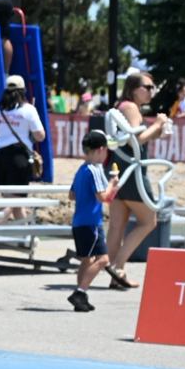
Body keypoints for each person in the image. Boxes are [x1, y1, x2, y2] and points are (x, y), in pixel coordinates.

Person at [100, 71, 171, 289]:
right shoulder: (130, 107)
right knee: (149, 221)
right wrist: (158, 124)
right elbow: (135, 141)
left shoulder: (123, 106)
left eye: (153, 87)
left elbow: (131, 139)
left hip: (118, 170)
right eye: (147, 87)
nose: (151, 91)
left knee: (117, 225)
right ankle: (118, 267)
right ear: (133, 89)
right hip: (132, 172)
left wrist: (157, 132)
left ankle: (114, 273)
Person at [66, 130, 111, 312]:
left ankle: (81, 299)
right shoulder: (95, 169)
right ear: (101, 149)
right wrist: (114, 184)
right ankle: (80, 291)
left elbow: (71, 195)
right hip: (92, 223)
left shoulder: (82, 169)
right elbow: (103, 197)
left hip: (78, 222)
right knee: (103, 260)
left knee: (86, 260)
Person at [0, 76, 47, 209]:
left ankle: (25, 230)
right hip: (19, 158)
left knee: (11, 202)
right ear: (23, 91)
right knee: (14, 203)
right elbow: (40, 136)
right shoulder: (28, 110)